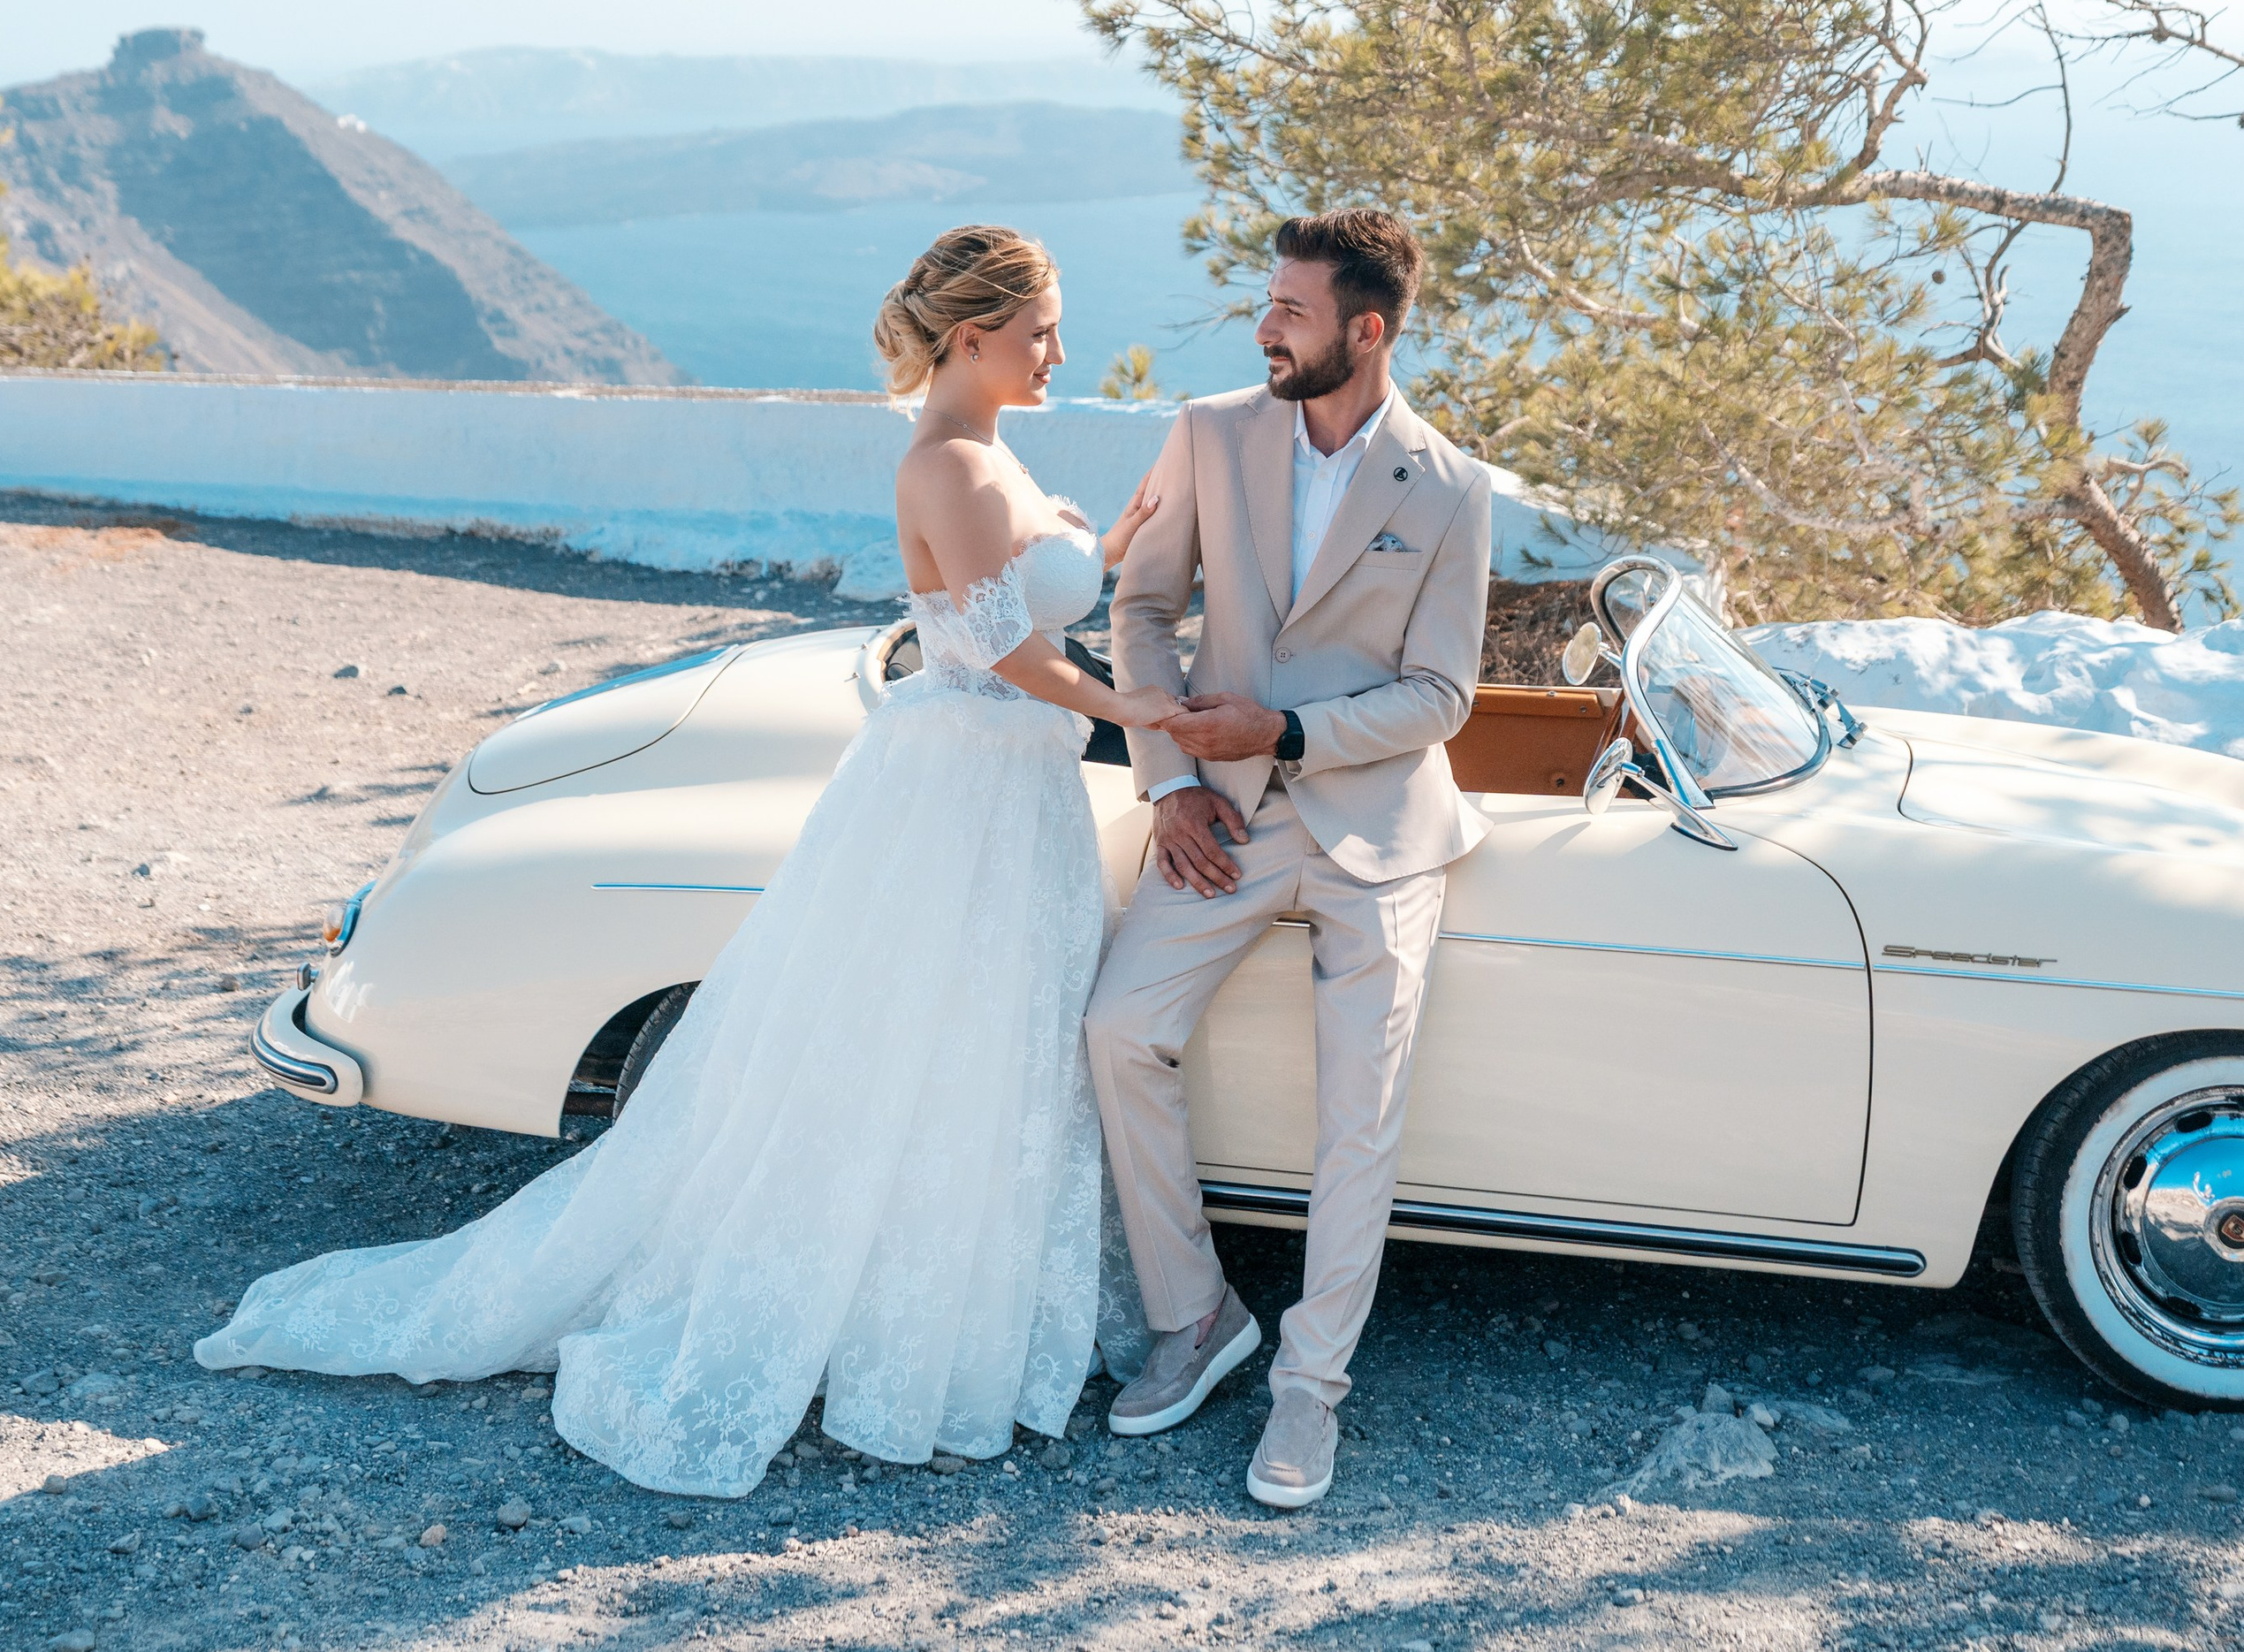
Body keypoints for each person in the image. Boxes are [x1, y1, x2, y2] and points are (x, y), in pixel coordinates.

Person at [194, 225, 1177, 1497]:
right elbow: (1005, 655)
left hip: (1006, 782)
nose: (1059, 350)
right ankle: (876, 1320)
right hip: (969, 789)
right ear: (975, 335)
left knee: (979, 1044)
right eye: (1042, 328)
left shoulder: (988, 445)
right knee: (927, 1033)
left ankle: (941, 1299)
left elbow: (1017, 601)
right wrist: (1152, 714)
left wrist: (1107, 549)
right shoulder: (951, 460)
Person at [1088, 207, 1492, 1511]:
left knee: (1355, 1121)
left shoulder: (1451, 485)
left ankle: (1310, 1395)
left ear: (1365, 333)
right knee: (1117, 1030)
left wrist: (1296, 730)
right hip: (1225, 816)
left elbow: (1441, 695)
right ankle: (1196, 1317)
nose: (1265, 327)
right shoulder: (1209, 433)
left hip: (1381, 832)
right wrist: (1172, 783)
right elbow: (1141, 611)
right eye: (1266, 305)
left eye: (1293, 312)